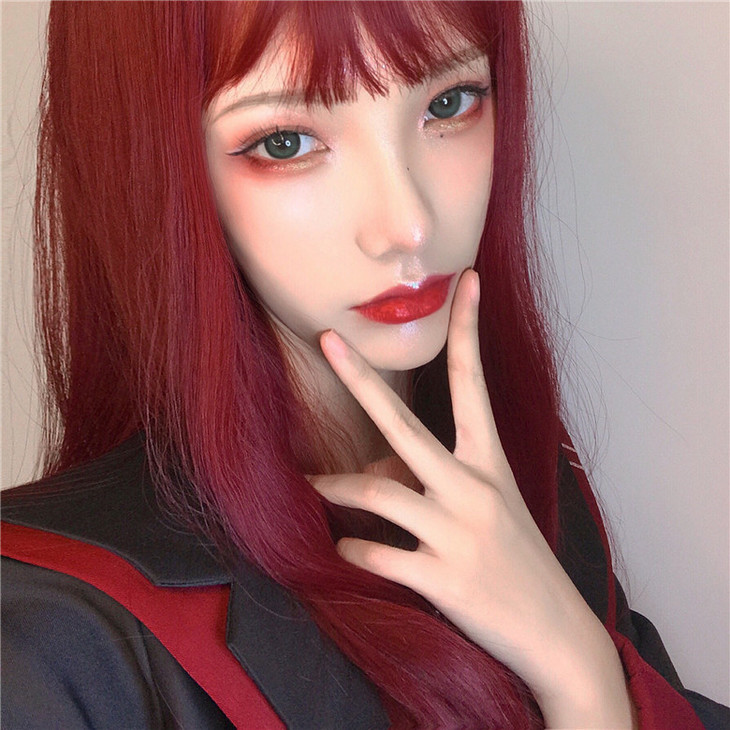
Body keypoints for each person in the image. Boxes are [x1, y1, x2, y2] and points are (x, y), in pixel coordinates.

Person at [1, 2, 727, 728]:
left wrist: (580, 670)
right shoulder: (54, 630)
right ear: (157, 167)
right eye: (285, 142)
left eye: (449, 103)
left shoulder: (518, 489)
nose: (408, 224)